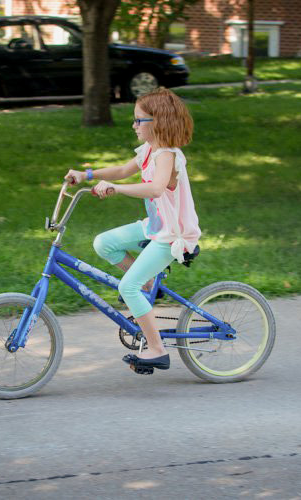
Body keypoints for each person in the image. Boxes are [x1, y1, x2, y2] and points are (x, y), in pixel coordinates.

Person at [64, 88, 201, 374]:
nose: (134, 125)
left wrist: (116, 190)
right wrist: (86, 174)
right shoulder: (150, 150)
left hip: (172, 235)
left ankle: (157, 350)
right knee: (104, 243)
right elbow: (123, 169)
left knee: (128, 286)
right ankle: (149, 284)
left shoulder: (167, 155)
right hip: (154, 228)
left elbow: (155, 187)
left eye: (139, 120)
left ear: (158, 122)